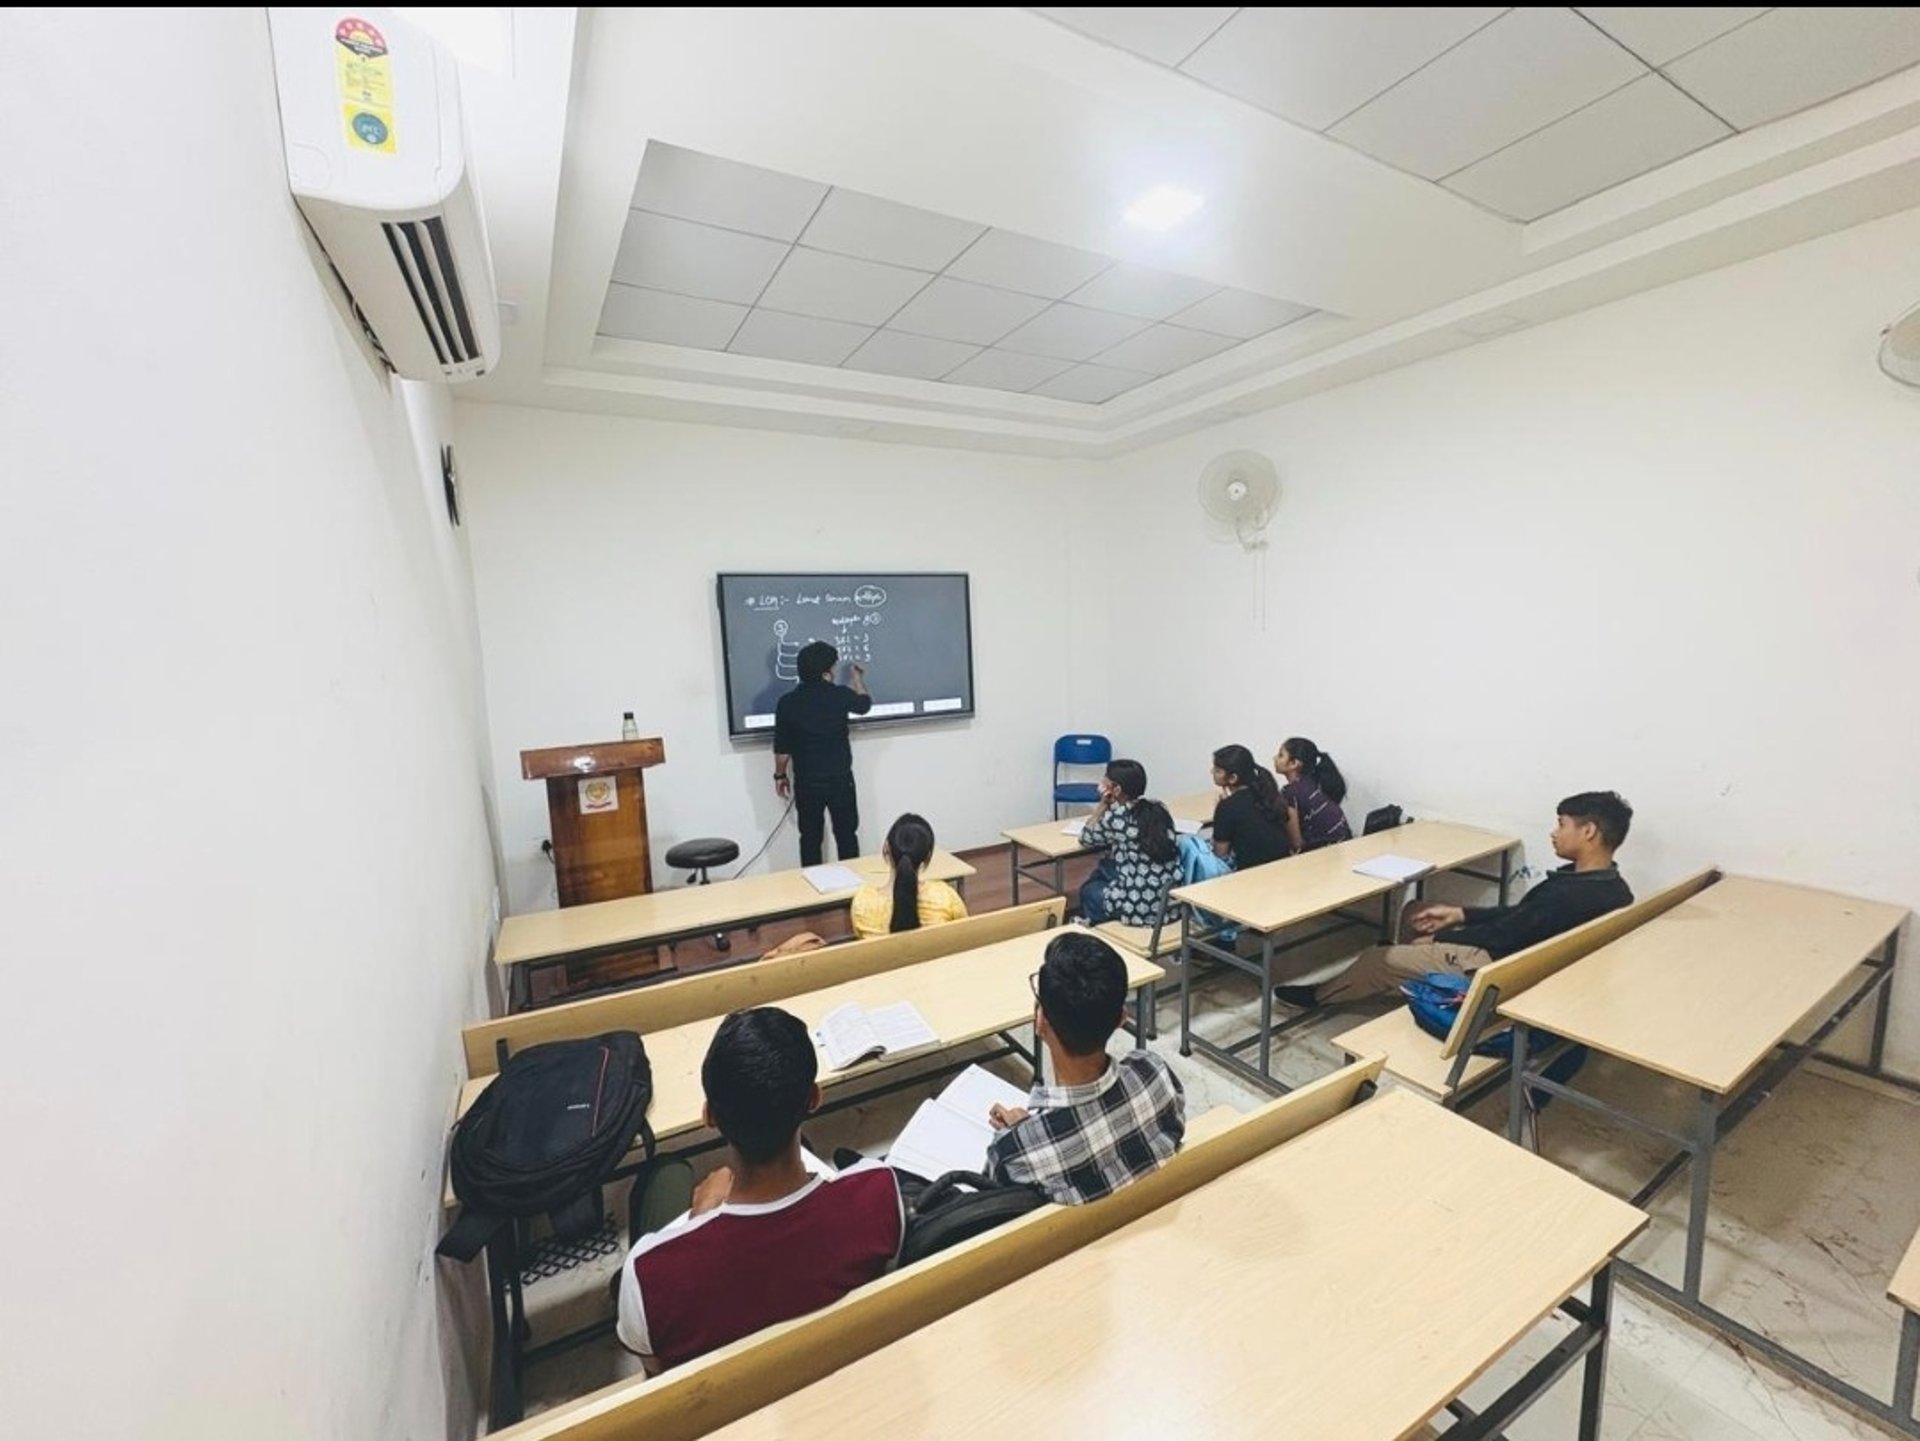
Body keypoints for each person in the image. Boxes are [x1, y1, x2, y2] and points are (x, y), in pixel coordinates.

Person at [616, 1007, 904, 1373]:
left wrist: (697, 1225)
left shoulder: (649, 1274)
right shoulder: (878, 1192)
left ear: (709, 1116)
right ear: (814, 1099)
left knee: (666, 1172)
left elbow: (657, 1374)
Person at [1281, 791, 1635, 1009]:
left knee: (1377, 957)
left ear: (1588, 831)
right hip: (1518, 950)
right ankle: (1413, 981)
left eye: (1562, 824)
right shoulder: (1614, 888)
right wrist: (1459, 913)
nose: (1554, 833)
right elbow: (1522, 917)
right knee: (1416, 910)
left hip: (1498, 965)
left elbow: (1505, 936)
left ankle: (1323, 995)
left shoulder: (1566, 895)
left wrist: (1441, 938)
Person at [984, 930, 1185, 1204]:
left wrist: (1023, 1133)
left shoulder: (1014, 1153)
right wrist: (1026, 1128)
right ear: (1121, 1020)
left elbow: (994, 1207)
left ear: (1040, 1023)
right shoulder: (1155, 1073)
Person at [773, 641, 872, 866]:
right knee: (847, 836)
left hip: (807, 782)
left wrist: (780, 775)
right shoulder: (839, 695)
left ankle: (812, 884)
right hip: (840, 779)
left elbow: (782, 749)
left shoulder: (787, 703)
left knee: (810, 839)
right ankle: (851, 883)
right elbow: (864, 705)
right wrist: (857, 678)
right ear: (826, 671)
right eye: (833, 667)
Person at [1076, 760, 1181, 927]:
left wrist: (1102, 805)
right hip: (1168, 901)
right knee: (1106, 866)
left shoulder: (1117, 818)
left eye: (1105, 781)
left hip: (1139, 907)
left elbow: (1086, 838)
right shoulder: (1159, 810)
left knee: (1089, 890)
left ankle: (1096, 925)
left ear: (1116, 789)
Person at [850, 813, 968, 939]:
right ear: (928, 857)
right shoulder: (945, 897)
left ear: (886, 848)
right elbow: (965, 934)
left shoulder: (862, 904)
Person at [1209, 744, 1290, 869]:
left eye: (1217, 770)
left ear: (1233, 778)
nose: (1212, 772)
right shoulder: (1268, 793)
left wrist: (1222, 808)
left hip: (1252, 872)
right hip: (1284, 864)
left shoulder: (1226, 807)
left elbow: (1220, 855)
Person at [1274, 736, 1353, 854]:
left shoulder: (1290, 793)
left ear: (1294, 763)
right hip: (1346, 844)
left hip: (1327, 853)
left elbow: (1296, 843)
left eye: (1281, 755)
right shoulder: (1315, 781)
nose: (1274, 758)